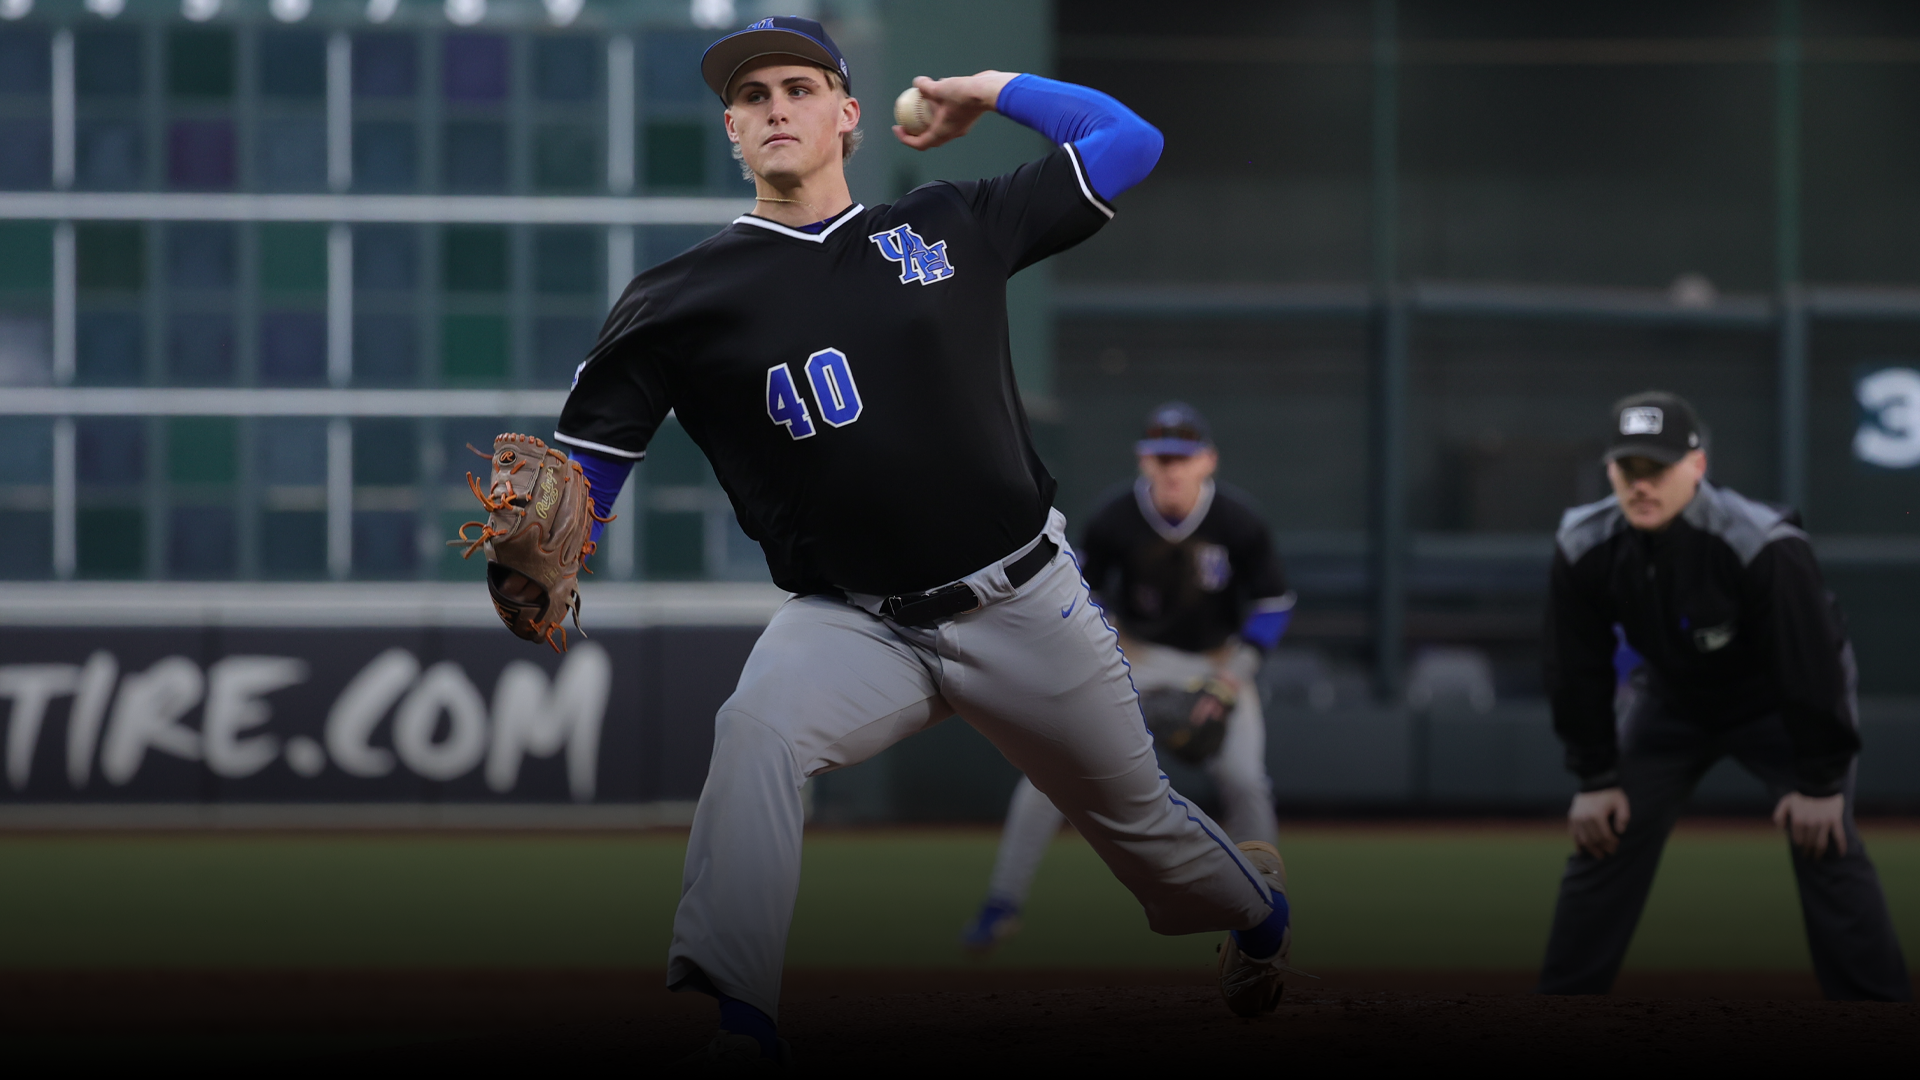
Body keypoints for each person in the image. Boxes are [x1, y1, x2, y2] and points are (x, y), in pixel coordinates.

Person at [548, 17, 1296, 1066]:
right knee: (757, 731)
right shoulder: (678, 300)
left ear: (847, 114)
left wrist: (987, 88)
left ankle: (1257, 912)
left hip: (1024, 601)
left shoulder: (950, 223)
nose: (775, 108)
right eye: (752, 95)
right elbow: (590, 461)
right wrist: (556, 544)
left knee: (1152, 842)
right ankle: (740, 1019)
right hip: (852, 621)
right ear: (731, 130)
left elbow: (1131, 142)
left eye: (800, 88)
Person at [1537, 390, 1910, 1001]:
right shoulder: (1584, 543)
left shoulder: (1760, 542)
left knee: (1825, 841)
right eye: (1628, 469)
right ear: (1610, 472)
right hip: (1673, 700)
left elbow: (1812, 663)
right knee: (1605, 834)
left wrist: (1820, 782)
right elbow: (1574, 666)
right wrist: (1595, 776)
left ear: (1698, 466)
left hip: (1779, 703)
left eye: (1657, 469)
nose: (1642, 485)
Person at [961, 402, 1295, 952]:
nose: (1172, 469)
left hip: (1217, 663)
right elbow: (1075, 589)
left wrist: (1235, 675)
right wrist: (1100, 647)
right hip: (1134, 657)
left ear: (1207, 461)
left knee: (1245, 781)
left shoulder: (1238, 520)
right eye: (1161, 457)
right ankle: (1002, 903)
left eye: (1183, 458)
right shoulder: (1116, 516)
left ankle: (1269, 917)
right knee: (1050, 774)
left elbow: (1273, 604)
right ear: (1143, 460)